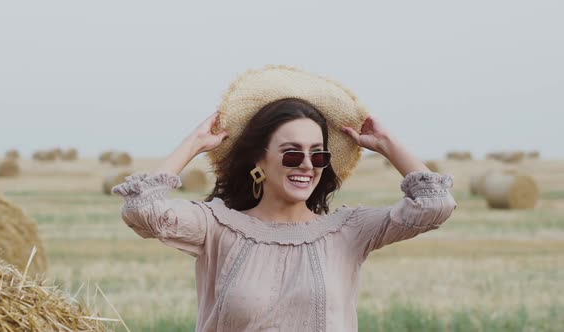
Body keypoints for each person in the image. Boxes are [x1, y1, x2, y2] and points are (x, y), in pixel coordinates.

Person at [112, 66, 457, 331]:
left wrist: (387, 145)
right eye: (292, 154)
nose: (307, 165)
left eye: (318, 155)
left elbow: (435, 204)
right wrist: (193, 144)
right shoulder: (217, 227)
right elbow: (143, 208)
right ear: (259, 159)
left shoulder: (348, 232)